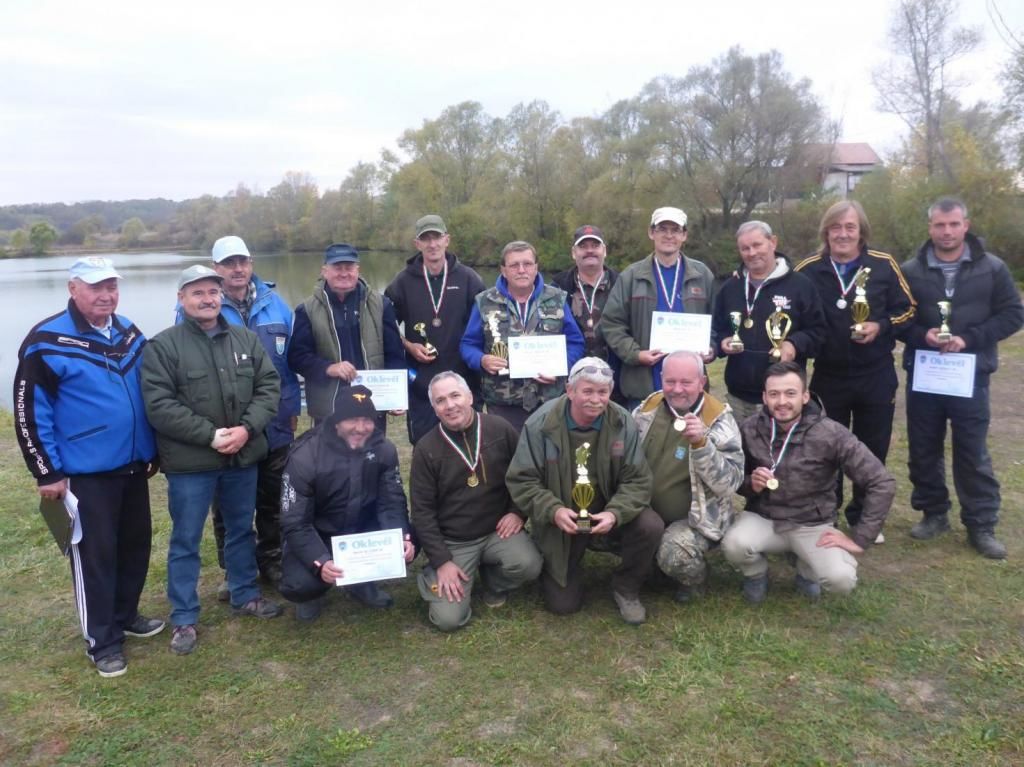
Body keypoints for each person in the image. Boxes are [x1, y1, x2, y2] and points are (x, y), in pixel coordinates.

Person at [14, 257, 163, 677]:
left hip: (133, 465)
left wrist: (155, 447)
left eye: (112, 286)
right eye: (96, 287)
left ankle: (125, 615)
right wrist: (46, 471)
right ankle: (102, 641)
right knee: (95, 557)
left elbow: (149, 389)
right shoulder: (45, 341)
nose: (106, 295)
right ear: (73, 289)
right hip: (85, 472)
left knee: (134, 546)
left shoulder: (128, 331)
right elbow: (29, 412)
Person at [142, 265, 284, 656]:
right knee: (186, 539)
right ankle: (184, 617)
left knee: (240, 529)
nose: (207, 300)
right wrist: (210, 435)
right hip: (191, 464)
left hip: (242, 457)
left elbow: (269, 387)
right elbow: (159, 405)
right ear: (181, 298)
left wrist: (246, 429)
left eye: (212, 292)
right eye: (198, 293)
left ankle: (245, 593)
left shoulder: (244, 339)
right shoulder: (163, 346)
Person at [900, 197, 1024, 559]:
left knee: (972, 451)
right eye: (940, 225)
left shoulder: (992, 268)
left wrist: (969, 339)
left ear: (966, 226)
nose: (947, 231)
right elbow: (898, 318)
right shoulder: (910, 270)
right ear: (930, 228)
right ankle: (933, 512)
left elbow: (1013, 314)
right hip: (926, 374)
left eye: (954, 224)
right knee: (923, 447)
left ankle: (980, 524)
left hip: (971, 376)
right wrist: (921, 334)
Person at [506, 357, 664, 624]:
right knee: (563, 605)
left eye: (602, 392)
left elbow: (637, 480)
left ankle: (626, 586)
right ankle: (561, 563)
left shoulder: (622, 421)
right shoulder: (540, 424)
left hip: (607, 509)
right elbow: (523, 480)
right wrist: (554, 511)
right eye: (587, 391)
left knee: (650, 525)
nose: (595, 400)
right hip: (563, 516)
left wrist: (615, 513)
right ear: (569, 391)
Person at [721, 362, 895, 603]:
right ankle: (756, 574)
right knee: (733, 545)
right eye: (774, 394)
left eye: (790, 393)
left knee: (841, 580)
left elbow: (881, 482)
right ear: (764, 397)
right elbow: (734, 479)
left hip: (812, 524)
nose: (782, 401)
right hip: (765, 517)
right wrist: (752, 483)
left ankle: (807, 571)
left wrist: (860, 538)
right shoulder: (749, 429)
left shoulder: (831, 434)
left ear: (805, 396)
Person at [795, 201, 915, 535]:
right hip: (828, 376)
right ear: (826, 232)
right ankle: (826, 512)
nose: (843, 234)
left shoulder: (883, 264)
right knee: (825, 449)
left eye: (850, 227)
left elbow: (908, 310)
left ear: (861, 231)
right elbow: (784, 295)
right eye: (836, 227)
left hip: (875, 374)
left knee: (872, 448)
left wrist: (881, 325)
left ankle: (864, 515)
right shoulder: (808, 269)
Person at [197, 235, 301, 591]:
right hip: (228, 424)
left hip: (276, 421)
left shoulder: (276, 303)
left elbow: (292, 361)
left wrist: (293, 407)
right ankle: (235, 569)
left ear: (251, 263)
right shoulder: (203, 306)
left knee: (275, 497)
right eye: (229, 263)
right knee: (229, 503)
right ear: (216, 268)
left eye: (242, 261)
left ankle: (273, 560)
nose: (237, 269)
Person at [410, 371, 542, 631]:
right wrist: (442, 561)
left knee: (529, 565)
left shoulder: (499, 428)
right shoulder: (426, 449)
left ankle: (494, 580)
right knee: (448, 620)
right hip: (454, 542)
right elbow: (422, 512)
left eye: (455, 395)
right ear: (434, 408)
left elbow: (525, 474)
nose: (450, 405)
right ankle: (433, 575)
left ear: (470, 397)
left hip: (497, 532)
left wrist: (517, 512)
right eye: (440, 401)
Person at [278, 385, 415, 620]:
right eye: (352, 420)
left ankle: (360, 582)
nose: (360, 428)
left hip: (361, 534)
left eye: (367, 420)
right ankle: (313, 592)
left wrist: (401, 536)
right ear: (337, 422)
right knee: (300, 583)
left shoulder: (384, 449)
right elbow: (295, 522)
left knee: (411, 542)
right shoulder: (305, 455)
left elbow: (391, 502)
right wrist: (320, 561)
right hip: (319, 534)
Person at [632, 351, 744, 601]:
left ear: (702, 382)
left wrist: (702, 445)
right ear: (661, 378)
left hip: (697, 520)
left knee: (674, 554)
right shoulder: (647, 408)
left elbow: (730, 484)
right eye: (670, 381)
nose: (677, 389)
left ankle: (694, 578)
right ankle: (650, 563)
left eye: (686, 382)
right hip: (647, 511)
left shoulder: (719, 420)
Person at [460, 240, 585, 432]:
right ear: (503, 270)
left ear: (536, 268)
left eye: (527, 264)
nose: (521, 270)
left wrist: (562, 367)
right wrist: (481, 360)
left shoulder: (557, 298)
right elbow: (468, 344)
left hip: (549, 401)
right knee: (506, 451)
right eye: (514, 265)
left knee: (549, 450)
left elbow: (575, 343)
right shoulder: (485, 301)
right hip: (503, 403)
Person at [600, 206, 716, 408]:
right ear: (651, 232)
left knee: (690, 429)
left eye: (675, 230)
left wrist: (711, 348)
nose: (669, 235)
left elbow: (717, 321)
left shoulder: (702, 275)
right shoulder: (631, 276)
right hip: (644, 386)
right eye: (662, 229)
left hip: (689, 388)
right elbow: (611, 323)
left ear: (684, 235)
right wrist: (636, 354)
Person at [385, 215, 486, 445]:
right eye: (426, 239)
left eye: (437, 237)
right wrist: (408, 345)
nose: (432, 244)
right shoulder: (401, 283)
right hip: (422, 384)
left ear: (446, 240)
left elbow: (485, 327)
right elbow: (386, 327)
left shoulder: (469, 279)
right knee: (425, 445)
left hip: (463, 379)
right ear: (417, 244)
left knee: (467, 443)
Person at [712, 221, 825, 423]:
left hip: (782, 397)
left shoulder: (801, 286)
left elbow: (818, 332)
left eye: (757, 245)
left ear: (773, 242)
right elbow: (717, 329)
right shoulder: (730, 288)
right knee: (741, 444)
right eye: (745, 248)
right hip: (739, 397)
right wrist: (723, 342)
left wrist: (794, 344)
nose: (752, 253)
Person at [288, 242, 405, 426]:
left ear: (358, 270)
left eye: (349, 267)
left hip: (371, 405)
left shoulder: (381, 305)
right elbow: (297, 358)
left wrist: (396, 396)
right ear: (324, 271)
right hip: (329, 409)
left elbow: (395, 355)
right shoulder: (307, 310)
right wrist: (329, 368)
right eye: (337, 267)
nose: (344, 273)